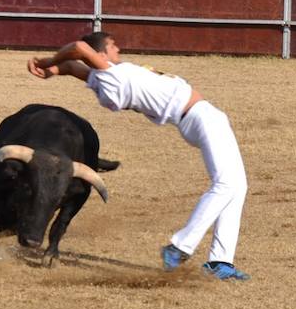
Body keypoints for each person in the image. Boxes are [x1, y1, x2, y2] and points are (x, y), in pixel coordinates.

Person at [26, 32, 251, 281]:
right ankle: (180, 246)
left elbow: (70, 65)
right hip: (200, 118)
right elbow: (78, 48)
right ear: (100, 55)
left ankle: (220, 261)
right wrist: (48, 61)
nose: (118, 48)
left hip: (193, 120)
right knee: (226, 184)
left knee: (236, 186)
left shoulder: (104, 79)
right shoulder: (111, 75)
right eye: (112, 46)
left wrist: (54, 69)